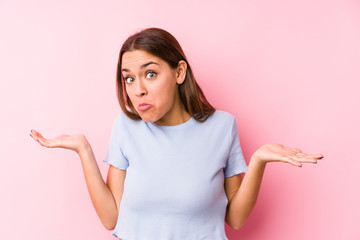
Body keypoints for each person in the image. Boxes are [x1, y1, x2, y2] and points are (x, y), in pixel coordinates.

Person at [29, 27, 323, 240]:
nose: (138, 89)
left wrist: (257, 161)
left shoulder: (222, 126)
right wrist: (84, 150)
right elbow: (111, 219)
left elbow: (235, 219)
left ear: (179, 72)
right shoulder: (125, 127)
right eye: (129, 78)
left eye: (151, 73)